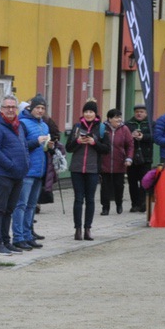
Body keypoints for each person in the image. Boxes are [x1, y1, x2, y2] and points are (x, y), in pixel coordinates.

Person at [0, 94, 30, 255]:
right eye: (7, 107)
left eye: (13, 107)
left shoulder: (18, 126)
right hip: (3, 175)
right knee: (0, 209)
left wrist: (26, 164)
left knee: (9, 210)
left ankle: (6, 241)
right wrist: (11, 165)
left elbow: (24, 146)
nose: (10, 110)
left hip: (18, 175)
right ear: (1, 109)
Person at [12, 94, 52, 250]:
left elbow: (43, 148)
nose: (40, 111)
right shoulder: (22, 123)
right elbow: (20, 145)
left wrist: (50, 146)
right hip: (27, 171)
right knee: (21, 205)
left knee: (31, 206)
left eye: (43, 108)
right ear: (31, 108)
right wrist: (37, 141)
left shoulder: (45, 125)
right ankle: (18, 237)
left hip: (39, 171)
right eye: (38, 108)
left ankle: (28, 236)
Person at [66, 100, 110, 241]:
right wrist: (78, 141)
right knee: (78, 199)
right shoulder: (77, 127)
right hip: (77, 168)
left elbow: (106, 149)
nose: (88, 114)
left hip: (93, 169)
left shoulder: (102, 128)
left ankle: (88, 229)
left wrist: (94, 143)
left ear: (95, 113)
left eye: (91, 112)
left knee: (90, 199)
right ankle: (78, 229)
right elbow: (68, 148)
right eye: (86, 111)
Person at [99, 108, 135, 215]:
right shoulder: (102, 128)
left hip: (119, 163)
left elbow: (130, 145)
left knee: (119, 186)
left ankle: (119, 204)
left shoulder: (124, 129)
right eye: (116, 117)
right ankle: (105, 208)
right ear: (109, 119)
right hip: (105, 162)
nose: (119, 119)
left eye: (120, 117)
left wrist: (129, 158)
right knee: (105, 187)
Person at [125, 105, 152, 213]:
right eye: (137, 112)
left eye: (141, 112)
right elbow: (124, 139)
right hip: (132, 157)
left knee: (144, 181)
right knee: (132, 182)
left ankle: (142, 203)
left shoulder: (150, 124)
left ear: (146, 113)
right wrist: (131, 136)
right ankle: (134, 204)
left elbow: (154, 137)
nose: (139, 114)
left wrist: (143, 137)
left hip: (146, 157)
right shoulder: (128, 124)